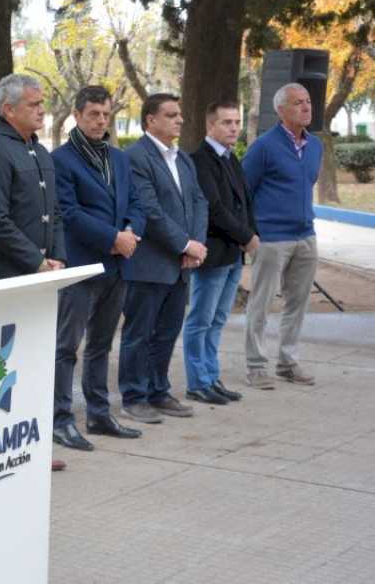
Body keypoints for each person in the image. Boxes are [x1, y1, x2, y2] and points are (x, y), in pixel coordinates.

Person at [0, 73, 67, 472]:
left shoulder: (39, 151)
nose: (42, 109)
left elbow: (54, 213)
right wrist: (34, 260)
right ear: (8, 109)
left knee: (34, 361)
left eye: (42, 102)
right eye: (33, 104)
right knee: (0, 365)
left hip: (42, 274)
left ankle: (31, 447)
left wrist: (57, 258)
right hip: (7, 275)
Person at [50, 85, 146, 452]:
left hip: (118, 266)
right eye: (94, 114)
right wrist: (112, 237)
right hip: (81, 266)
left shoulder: (118, 158)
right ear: (77, 115)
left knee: (102, 345)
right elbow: (68, 213)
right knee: (67, 346)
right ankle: (60, 419)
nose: (101, 121)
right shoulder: (61, 159)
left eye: (106, 114)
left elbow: (135, 202)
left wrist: (132, 232)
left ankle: (99, 414)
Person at [118, 94, 208, 424]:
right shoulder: (135, 157)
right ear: (150, 121)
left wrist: (194, 244)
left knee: (167, 332)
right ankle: (133, 396)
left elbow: (199, 201)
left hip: (180, 264)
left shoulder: (182, 158)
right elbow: (150, 212)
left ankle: (158, 390)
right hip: (149, 263)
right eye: (171, 115)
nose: (179, 120)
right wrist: (184, 245)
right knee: (139, 334)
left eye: (180, 114)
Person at [242, 83, 322, 388]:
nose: (306, 107)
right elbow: (243, 190)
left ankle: (288, 363)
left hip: (306, 236)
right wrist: (249, 235)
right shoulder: (263, 146)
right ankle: (256, 366)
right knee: (260, 304)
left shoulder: (315, 146)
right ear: (281, 110)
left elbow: (308, 182)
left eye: (308, 101)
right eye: (298, 102)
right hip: (271, 238)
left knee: (297, 304)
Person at [183, 101, 259, 404]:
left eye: (237, 122)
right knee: (200, 319)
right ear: (210, 126)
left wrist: (252, 234)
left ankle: (211, 377)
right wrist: (246, 236)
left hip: (233, 254)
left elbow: (244, 201)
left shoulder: (230, 158)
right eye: (227, 122)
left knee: (217, 320)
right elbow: (214, 209)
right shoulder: (200, 160)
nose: (234, 128)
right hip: (213, 253)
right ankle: (197, 381)